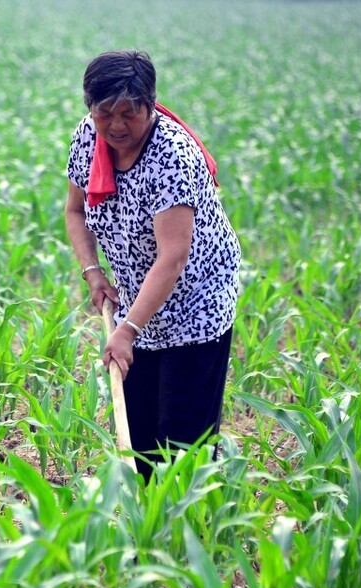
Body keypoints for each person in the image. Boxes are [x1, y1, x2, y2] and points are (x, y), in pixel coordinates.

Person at [64, 50, 242, 480]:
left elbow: (173, 257)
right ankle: (149, 534)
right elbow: (74, 211)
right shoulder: (90, 137)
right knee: (141, 439)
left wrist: (127, 331)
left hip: (195, 303)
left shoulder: (172, 156)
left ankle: (191, 537)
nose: (117, 125)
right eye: (106, 113)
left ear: (151, 104)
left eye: (130, 113)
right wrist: (93, 272)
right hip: (137, 294)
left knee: (183, 444)